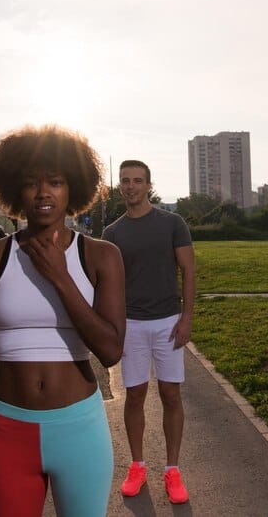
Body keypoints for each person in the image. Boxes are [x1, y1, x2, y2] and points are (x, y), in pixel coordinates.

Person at [0, 125, 126, 517]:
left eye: (56, 182)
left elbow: (111, 350)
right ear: (16, 190)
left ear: (73, 189)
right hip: (8, 432)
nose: (43, 192)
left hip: (80, 429)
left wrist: (60, 277)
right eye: (31, 183)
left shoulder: (101, 256)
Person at [102, 160, 196, 504]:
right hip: (131, 326)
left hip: (168, 322)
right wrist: (114, 327)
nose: (130, 187)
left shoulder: (172, 223)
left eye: (137, 181)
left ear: (148, 185)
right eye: (125, 181)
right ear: (120, 186)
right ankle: (137, 466)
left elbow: (188, 270)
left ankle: (173, 470)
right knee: (135, 396)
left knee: (171, 395)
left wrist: (186, 318)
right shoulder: (112, 232)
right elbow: (107, 285)